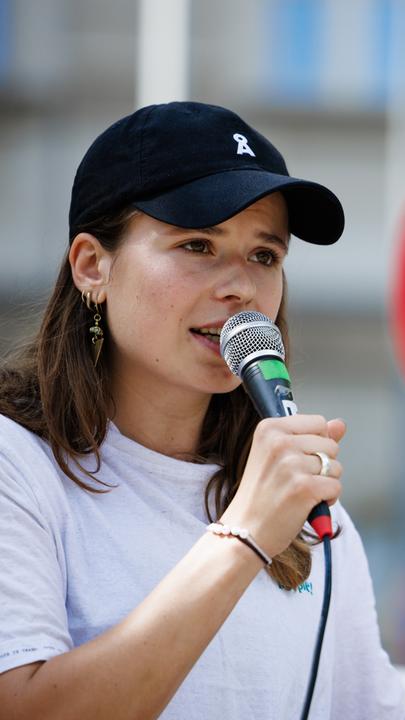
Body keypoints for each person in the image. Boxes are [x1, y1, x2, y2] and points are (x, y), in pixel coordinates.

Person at [0, 101, 403, 720]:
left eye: (265, 256)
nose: (240, 286)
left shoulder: (309, 507)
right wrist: (244, 536)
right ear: (92, 266)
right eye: (197, 244)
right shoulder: (17, 466)